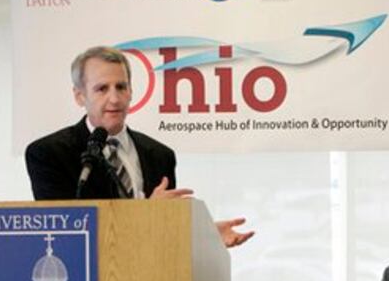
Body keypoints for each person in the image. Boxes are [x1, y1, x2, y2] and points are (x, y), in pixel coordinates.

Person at [25, 46, 254, 248]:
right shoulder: (49, 154)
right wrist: (147, 213)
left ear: (131, 92)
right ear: (79, 96)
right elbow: (63, 233)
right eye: (102, 89)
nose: (114, 99)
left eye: (121, 87)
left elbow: (163, 232)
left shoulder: (160, 155)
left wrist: (205, 236)